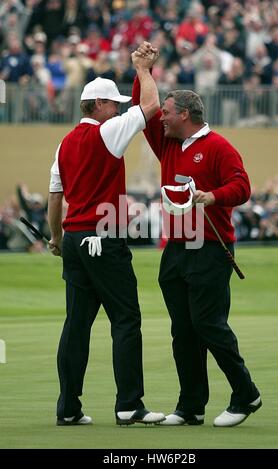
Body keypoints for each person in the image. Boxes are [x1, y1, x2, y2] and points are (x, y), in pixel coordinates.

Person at [132, 42, 262, 427]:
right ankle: (191, 406)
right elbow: (148, 108)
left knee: (208, 324)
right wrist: (143, 71)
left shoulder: (219, 146)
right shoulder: (168, 141)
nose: (162, 120)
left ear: (185, 114)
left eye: (169, 115)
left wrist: (213, 196)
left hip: (210, 247)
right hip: (176, 248)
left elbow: (243, 187)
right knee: (183, 331)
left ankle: (246, 393)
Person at [47, 43, 165, 426]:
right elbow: (151, 109)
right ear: (97, 105)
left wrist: (54, 238)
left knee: (76, 326)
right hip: (104, 236)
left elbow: (54, 198)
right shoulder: (108, 131)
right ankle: (129, 405)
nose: (118, 108)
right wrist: (144, 71)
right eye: (112, 102)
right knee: (126, 319)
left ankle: (68, 408)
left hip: (74, 239)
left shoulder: (64, 144)